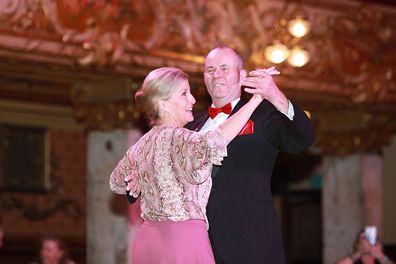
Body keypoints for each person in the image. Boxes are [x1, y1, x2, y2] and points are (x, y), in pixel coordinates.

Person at [110, 66, 277, 263]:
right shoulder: (182, 138)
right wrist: (256, 100)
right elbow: (219, 139)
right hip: (182, 239)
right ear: (163, 104)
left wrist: (137, 182)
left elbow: (117, 182)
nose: (193, 100)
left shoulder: (139, 146)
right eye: (184, 94)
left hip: (147, 242)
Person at [183, 45, 316, 264]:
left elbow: (303, 137)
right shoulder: (192, 124)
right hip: (199, 239)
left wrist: (275, 95)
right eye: (210, 70)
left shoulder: (263, 115)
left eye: (225, 68)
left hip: (249, 237)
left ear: (242, 76)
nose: (216, 75)